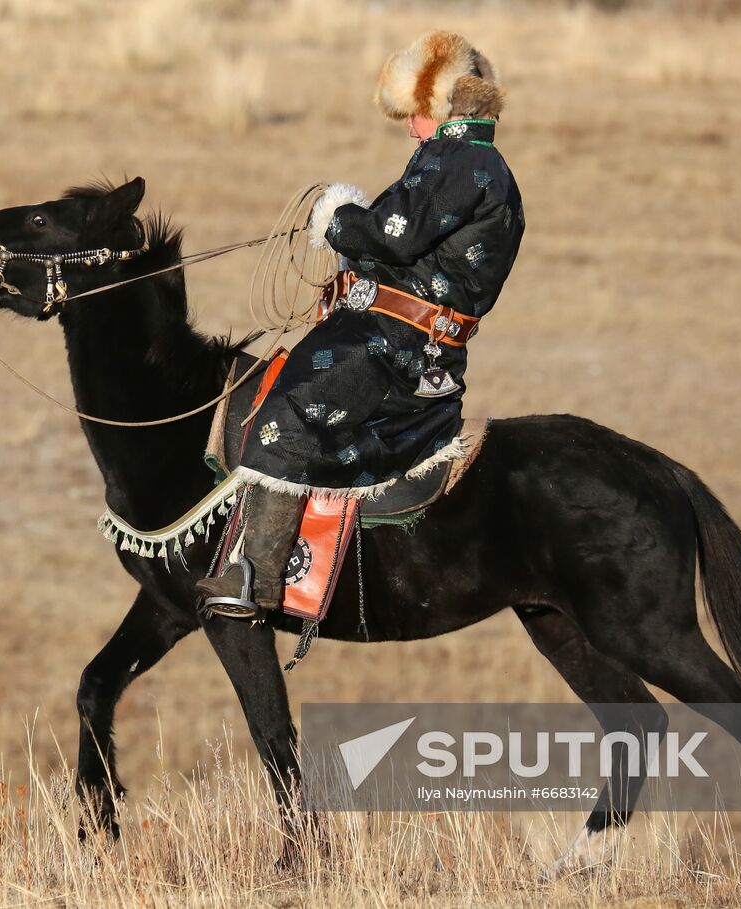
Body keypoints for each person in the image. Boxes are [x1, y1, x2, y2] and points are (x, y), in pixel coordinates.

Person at [195, 31, 525, 620]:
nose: (407, 124)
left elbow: (394, 233)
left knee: (290, 407)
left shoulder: (465, 162)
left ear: (444, 104)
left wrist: (339, 220)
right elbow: (416, 252)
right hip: (396, 333)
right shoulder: (465, 161)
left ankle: (259, 579)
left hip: (402, 345)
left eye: (414, 111)